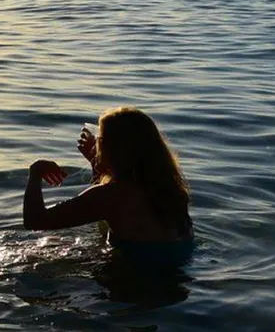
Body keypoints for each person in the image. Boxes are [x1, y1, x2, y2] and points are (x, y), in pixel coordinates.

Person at [23, 107, 193, 263]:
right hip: (175, 284)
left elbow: (35, 220)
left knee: (46, 247)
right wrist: (97, 164)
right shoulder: (172, 190)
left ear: (114, 149)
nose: (97, 145)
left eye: (100, 140)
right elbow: (112, 219)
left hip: (131, 284)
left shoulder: (111, 196)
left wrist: (35, 174)